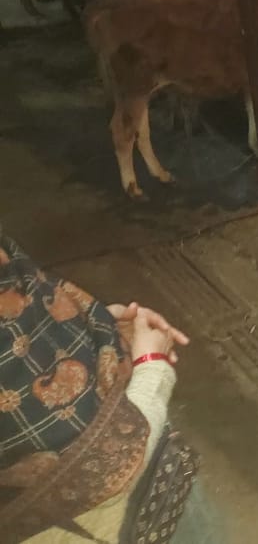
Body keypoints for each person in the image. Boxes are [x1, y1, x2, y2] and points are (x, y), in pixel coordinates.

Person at [0, 227, 211, 543]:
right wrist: (153, 366)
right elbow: (102, 472)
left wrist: (101, 331)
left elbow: (33, 318)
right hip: (113, 520)